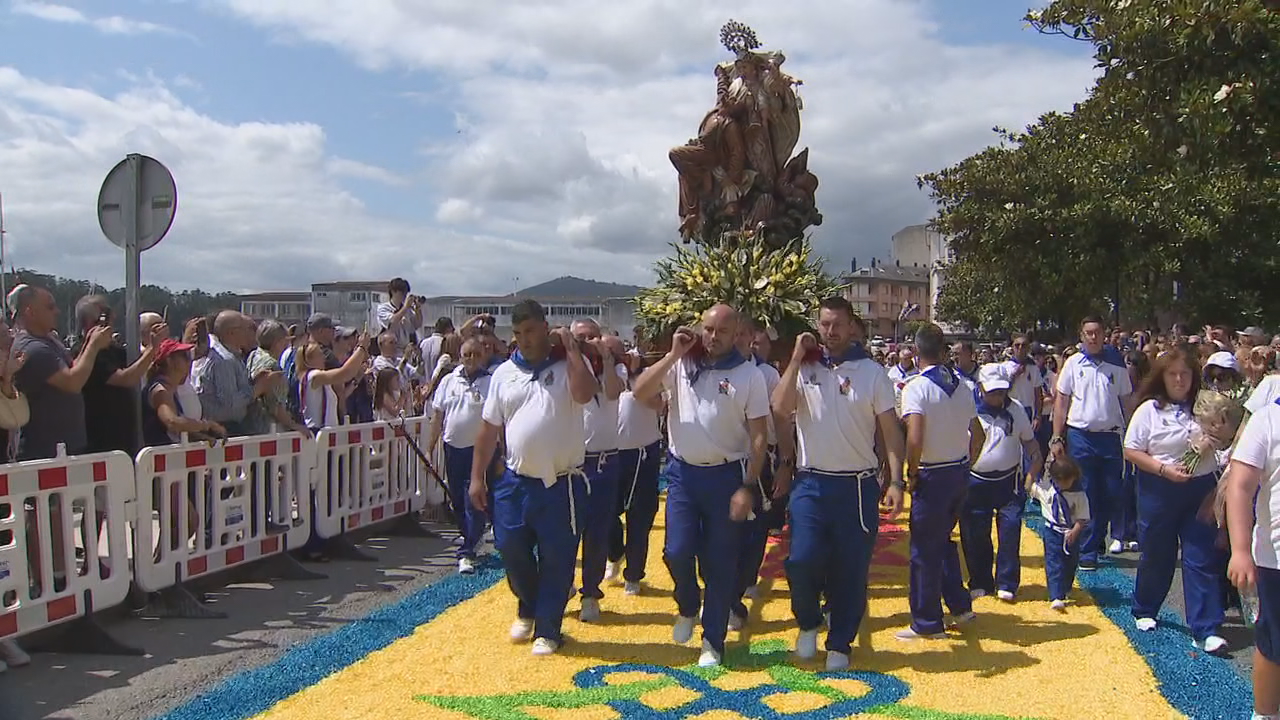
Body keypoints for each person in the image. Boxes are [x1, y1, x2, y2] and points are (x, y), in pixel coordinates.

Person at [631, 303, 769, 668]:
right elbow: (639, 392)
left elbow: (758, 436)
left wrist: (748, 486)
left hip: (726, 476)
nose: (712, 337)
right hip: (683, 474)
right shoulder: (681, 364)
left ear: (737, 332)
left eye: (721, 331)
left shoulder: (748, 375)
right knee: (676, 551)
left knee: (720, 561)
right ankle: (688, 605)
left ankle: (712, 641)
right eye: (707, 329)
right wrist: (673, 354)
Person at [772, 296, 905, 670]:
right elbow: (780, 408)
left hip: (856, 485)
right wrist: (797, 359)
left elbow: (890, 432)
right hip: (811, 481)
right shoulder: (806, 367)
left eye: (837, 325)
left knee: (851, 567)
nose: (830, 332)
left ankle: (841, 642)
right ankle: (810, 620)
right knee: (801, 560)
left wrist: (896, 480)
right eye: (824, 324)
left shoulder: (872, 372)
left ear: (852, 328)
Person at [469, 300, 596, 657]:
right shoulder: (504, 374)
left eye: (531, 331)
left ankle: (548, 628)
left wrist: (571, 347)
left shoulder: (569, 363)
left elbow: (585, 394)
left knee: (558, 557)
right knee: (510, 547)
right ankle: (528, 604)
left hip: (561, 482)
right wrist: (477, 478)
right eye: (519, 333)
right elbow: (489, 428)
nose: (525, 339)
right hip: (515, 479)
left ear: (545, 328)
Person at [1122, 348, 1228, 653]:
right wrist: (1163, 469)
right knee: (1157, 553)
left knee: (1200, 557)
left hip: (1200, 490)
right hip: (1159, 488)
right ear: (1162, 377)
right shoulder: (1149, 410)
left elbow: (1226, 439)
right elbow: (1131, 449)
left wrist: (1216, 440)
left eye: (1185, 374)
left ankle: (1205, 627)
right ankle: (1145, 608)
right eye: (1173, 374)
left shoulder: (1206, 407)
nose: (1180, 380)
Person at [896, 323, 984, 640]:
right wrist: (967, 462)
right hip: (958, 470)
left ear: (917, 351)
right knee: (943, 542)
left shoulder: (916, 388)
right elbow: (979, 434)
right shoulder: (961, 385)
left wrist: (912, 471)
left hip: (932, 474)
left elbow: (915, 436)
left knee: (923, 549)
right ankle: (960, 605)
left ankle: (927, 621)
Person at [1051, 315, 1134, 570]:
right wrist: (1057, 436)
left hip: (1109, 437)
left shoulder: (1116, 366)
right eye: (1089, 333)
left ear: (1104, 334)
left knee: (1111, 492)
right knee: (1085, 491)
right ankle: (1087, 550)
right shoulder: (1073, 364)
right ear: (1082, 336)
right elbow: (1062, 402)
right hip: (1081, 435)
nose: (1093, 337)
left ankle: (1097, 538)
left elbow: (1128, 403)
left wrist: (1135, 436)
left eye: (1097, 332)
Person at [960, 363, 1041, 602]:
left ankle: (1007, 581)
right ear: (980, 388)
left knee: (1010, 530)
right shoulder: (968, 411)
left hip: (1009, 480)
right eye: (992, 391)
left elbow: (1029, 442)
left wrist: (1032, 471)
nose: (997, 396)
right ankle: (980, 580)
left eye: (1001, 391)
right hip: (975, 481)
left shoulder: (1015, 409)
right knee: (976, 533)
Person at [1224, 396, 1280, 720]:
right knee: (1273, 645)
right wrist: (1241, 550)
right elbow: (1240, 487)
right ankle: (1266, 713)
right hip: (1275, 558)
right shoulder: (1267, 419)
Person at [571, 318, 626, 623]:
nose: (587, 341)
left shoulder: (615, 367)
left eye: (592, 336)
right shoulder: (562, 367)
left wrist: (604, 358)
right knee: (565, 533)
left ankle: (590, 593)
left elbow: (614, 392)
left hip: (604, 461)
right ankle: (563, 585)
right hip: (571, 463)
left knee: (596, 533)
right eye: (580, 337)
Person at [428, 337, 492, 575]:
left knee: (473, 499)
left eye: (476, 354)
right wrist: (430, 446)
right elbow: (438, 415)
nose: (471, 359)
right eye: (467, 354)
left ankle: (466, 550)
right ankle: (471, 537)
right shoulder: (448, 380)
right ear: (460, 356)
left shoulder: (490, 382)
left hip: (480, 450)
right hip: (453, 447)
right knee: (457, 499)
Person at [608, 345, 663, 595]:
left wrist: (635, 373)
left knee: (639, 518)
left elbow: (657, 403)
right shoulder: (602, 374)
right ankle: (616, 551)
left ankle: (634, 573)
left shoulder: (648, 374)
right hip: (608, 455)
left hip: (642, 455)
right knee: (605, 514)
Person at [1026, 456, 1088, 610]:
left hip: (1071, 531)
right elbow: (1030, 487)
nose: (1065, 484)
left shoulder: (1079, 495)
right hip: (1052, 531)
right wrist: (1030, 473)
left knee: (1070, 562)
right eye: (1061, 481)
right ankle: (1056, 595)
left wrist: (1075, 531)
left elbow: (1083, 518)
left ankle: (1066, 587)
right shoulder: (1046, 489)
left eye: (1069, 480)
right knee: (1053, 561)